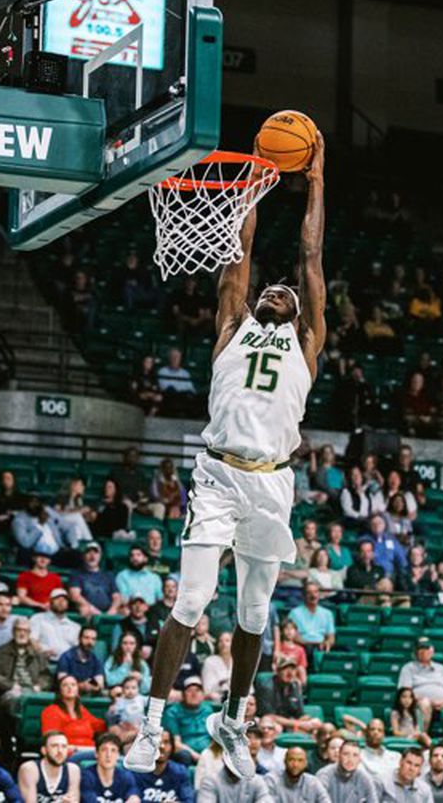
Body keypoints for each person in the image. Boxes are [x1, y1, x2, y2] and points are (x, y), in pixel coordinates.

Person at [126, 133, 327, 782]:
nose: (276, 290)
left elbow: (311, 254)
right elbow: (241, 251)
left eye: (286, 294)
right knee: (192, 601)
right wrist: (254, 183)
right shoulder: (233, 324)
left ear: (300, 315)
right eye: (268, 289)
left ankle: (234, 719)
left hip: (271, 486)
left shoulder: (307, 342)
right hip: (216, 474)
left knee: (254, 614)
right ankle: (150, 721)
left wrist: (316, 180)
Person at [42, 675, 107, 753]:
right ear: (60, 690)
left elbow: (99, 726)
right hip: (67, 752)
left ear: (77, 690)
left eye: (73, 685)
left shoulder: (81, 710)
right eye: (65, 685)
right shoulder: (52, 711)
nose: (70, 687)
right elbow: (51, 739)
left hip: (90, 750)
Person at [132, 730, 195, 803]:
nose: (162, 746)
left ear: (172, 747)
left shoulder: (180, 771)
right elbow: (133, 799)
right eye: (157, 742)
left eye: (166, 742)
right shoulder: (136, 772)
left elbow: (188, 800)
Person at [83, 733, 140, 803]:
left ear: (118, 755)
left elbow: (133, 795)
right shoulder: (87, 776)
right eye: (104, 750)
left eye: (113, 750)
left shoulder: (126, 776)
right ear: (96, 753)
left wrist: (133, 798)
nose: (108, 755)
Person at [317, 739, 377, 803]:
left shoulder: (365, 778)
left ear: (360, 759)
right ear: (339, 755)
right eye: (346, 754)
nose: (350, 759)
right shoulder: (324, 775)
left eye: (355, 755)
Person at [31, 589, 82, 662]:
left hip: (68, 665)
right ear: (50, 602)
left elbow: (78, 649)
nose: (61, 602)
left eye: (64, 599)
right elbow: (32, 639)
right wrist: (41, 652)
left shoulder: (75, 626)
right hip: (42, 661)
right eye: (57, 599)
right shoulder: (38, 618)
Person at [57, 625, 106, 696]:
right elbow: (62, 682)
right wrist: (82, 685)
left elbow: (99, 684)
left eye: (93, 639)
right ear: (79, 638)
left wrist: (89, 684)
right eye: (86, 638)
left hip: (88, 698)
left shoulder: (96, 660)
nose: (90, 642)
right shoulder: (66, 657)